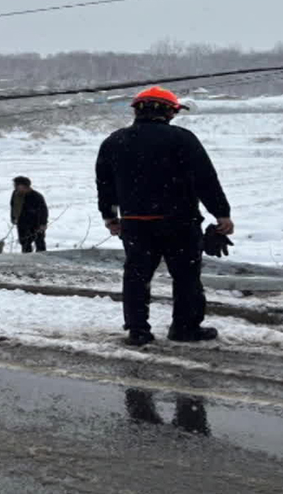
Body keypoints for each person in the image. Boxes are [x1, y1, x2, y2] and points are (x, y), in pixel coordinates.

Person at [95, 86, 234, 347]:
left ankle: (138, 331)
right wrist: (221, 214)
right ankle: (185, 328)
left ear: (137, 110)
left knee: (136, 278)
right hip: (179, 222)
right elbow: (205, 179)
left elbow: (105, 184)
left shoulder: (114, 141)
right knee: (186, 277)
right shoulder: (182, 139)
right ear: (170, 111)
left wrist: (110, 216)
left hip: (135, 224)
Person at [10, 176, 49, 253]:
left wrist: (43, 224)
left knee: (40, 244)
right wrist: (13, 217)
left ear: (23, 186)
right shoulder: (15, 194)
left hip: (36, 224)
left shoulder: (37, 196)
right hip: (22, 223)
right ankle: (26, 262)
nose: (15, 186)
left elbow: (44, 211)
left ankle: (43, 262)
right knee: (25, 244)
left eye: (17, 185)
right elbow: (13, 206)